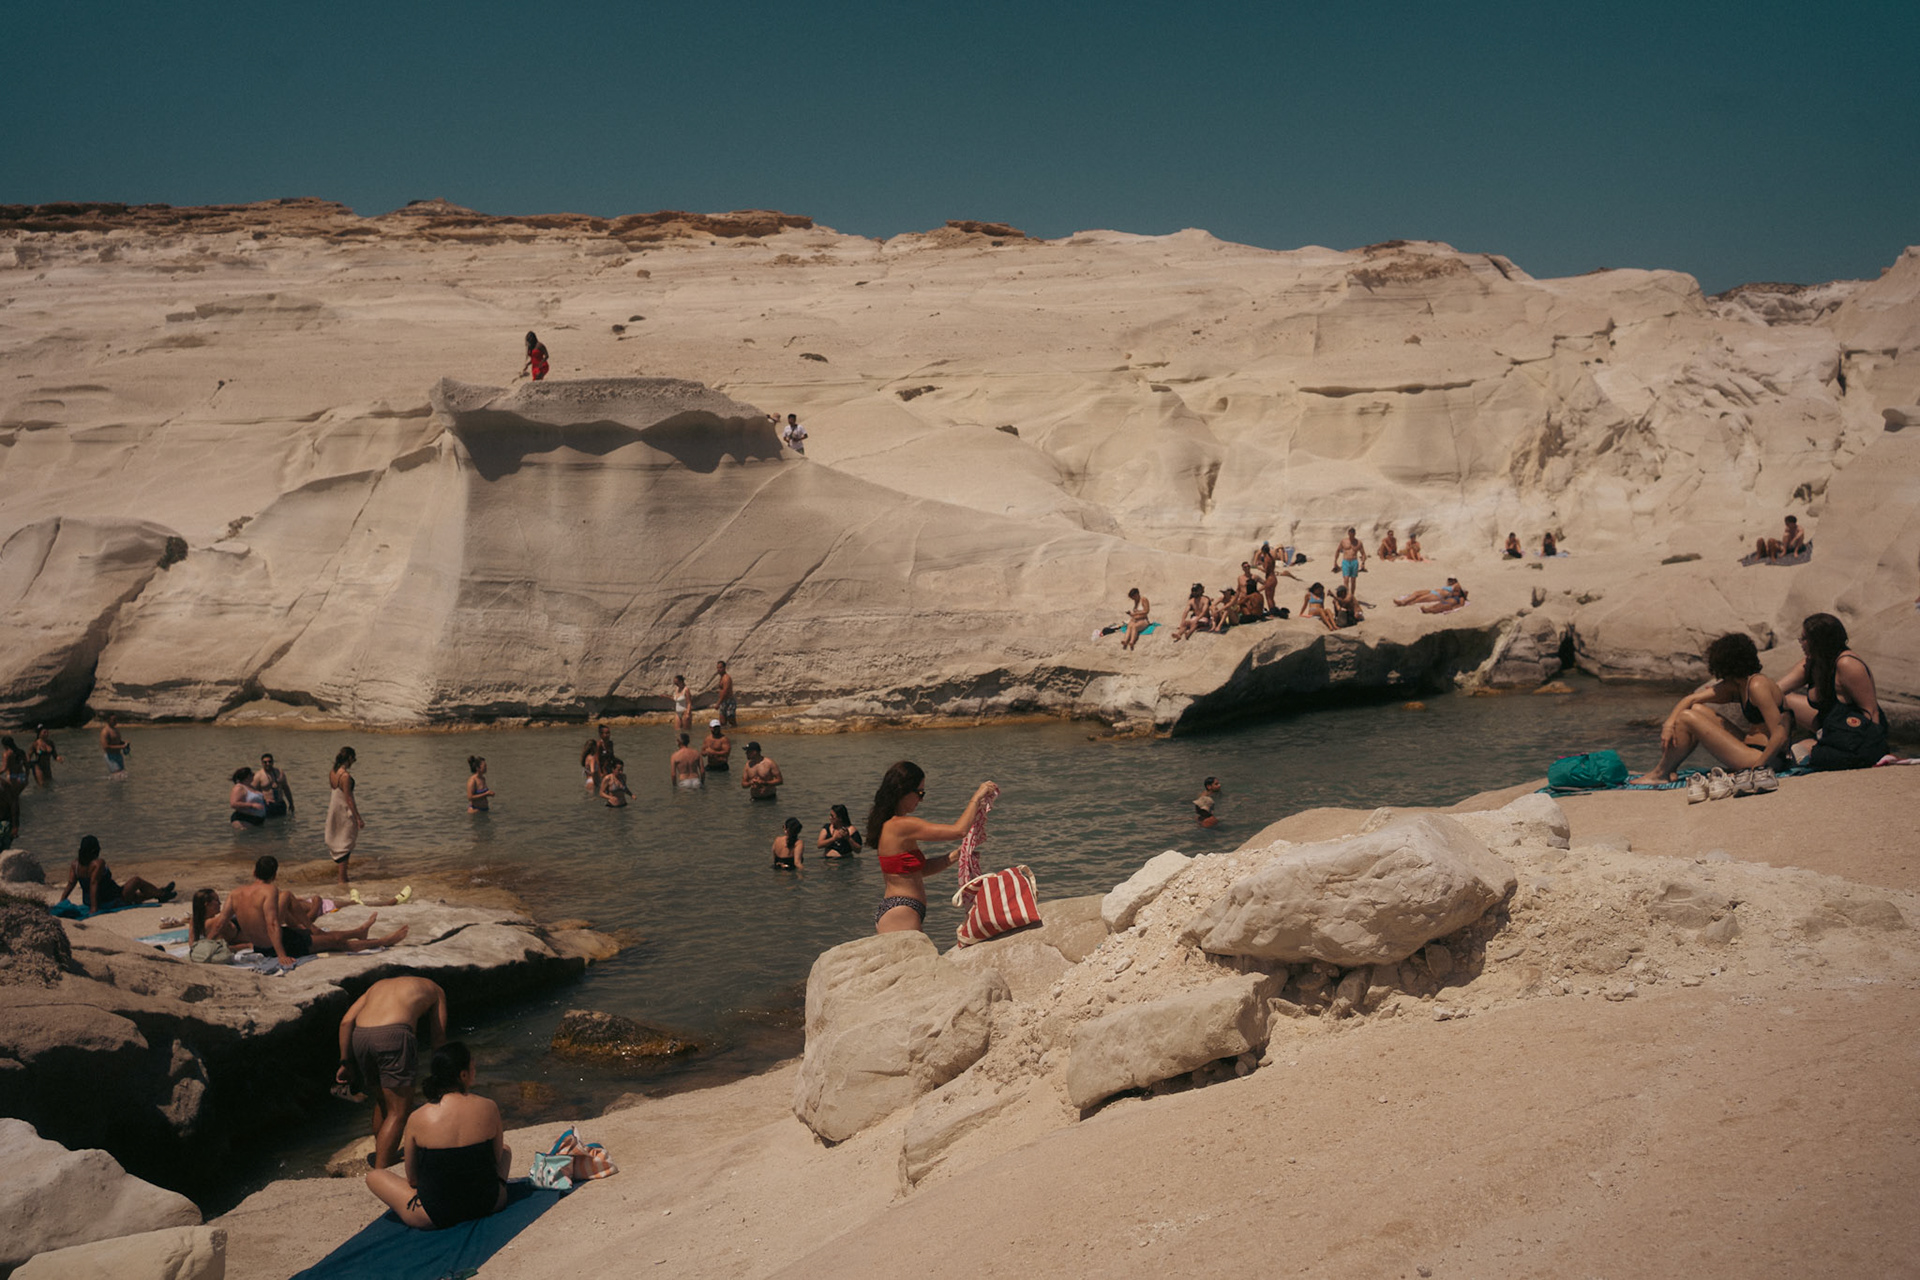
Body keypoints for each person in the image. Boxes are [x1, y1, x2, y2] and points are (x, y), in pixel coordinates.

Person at [364, 1042, 512, 1230]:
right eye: (473, 1067)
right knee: (506, 1151)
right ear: (463, 1075)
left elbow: (413, 1180)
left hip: (435, 1215)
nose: (475, 1072)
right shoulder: (489, 1106)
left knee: (374, 1176)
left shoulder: (418, 1117)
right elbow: (496, 1160)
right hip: (489, 1203)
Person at [1629, 632, 1790, 784]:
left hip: (1766, 759)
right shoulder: (1739, 684)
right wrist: (1669, 724)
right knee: (1697, 709)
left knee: (1686, 718)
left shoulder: (1757, 685)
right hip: (1751, 750)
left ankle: (1660, 773)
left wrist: (1757, 768)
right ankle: (1669, 769)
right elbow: (1692, 699)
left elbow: (1780, 734)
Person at [868, 762, 997, 935]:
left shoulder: (890, 826)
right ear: (903, 791)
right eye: (920, 793)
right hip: (901, 911)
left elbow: (919, 871)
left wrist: (955, 855)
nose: (921, 799)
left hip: (901, 909)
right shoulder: (901, 825)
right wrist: (977, 796)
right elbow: (959, 831)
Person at [337, 976, 448, 1170]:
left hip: (361, 1036)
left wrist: (345, 1062)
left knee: (382, 1101)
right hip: (394, 1035)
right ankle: (382, 1168)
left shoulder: (377, 985)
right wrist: (440, 1074)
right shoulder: (434, 988)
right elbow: (438, 1037)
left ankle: (383, 1153)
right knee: (399, 1111)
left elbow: (346, 1022)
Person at [224, 855, 406, 967]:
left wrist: (207, 942)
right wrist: (281, 955)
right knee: (335, 942)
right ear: (274, 875)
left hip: (274, 941)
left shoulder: (235, 893)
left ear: (254, 872)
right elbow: (272, 923)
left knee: (323, 935)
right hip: (277, 946)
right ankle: (384, 941)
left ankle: (359, 932)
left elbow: (220, 921)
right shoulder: (269, 890)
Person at [1777, 612, 1889, 770]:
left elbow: (1871, 711)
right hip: (1831, 722)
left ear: (1819, 641)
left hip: (1853, 730)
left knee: (1800, 750)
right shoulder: (1812, 664)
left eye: (1805, 638)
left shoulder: (1847, 664)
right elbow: (1776, 689)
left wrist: (1872, 749)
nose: (1801, 643)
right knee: (1781, 700)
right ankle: (1775, 746)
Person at [60, 835, 173, 911]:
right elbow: (93, 883)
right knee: (136, 881)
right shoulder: (97, 864)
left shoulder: (75, 865)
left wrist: (61, 903)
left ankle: (161, 892)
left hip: (90, 901)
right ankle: (161, 894)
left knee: (135, 896)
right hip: (111, 899)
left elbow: (70, 884)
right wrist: (94, 908)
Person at [326, 747, 365, 887]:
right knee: (345, 843)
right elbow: (349, 799)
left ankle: (343, 876)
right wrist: (358, 818)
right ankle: (342, 879)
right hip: (344, 811)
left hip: (334, 809)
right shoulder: (345, 777)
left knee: (341, 840)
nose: (354, 761)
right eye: (353, 758)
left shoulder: (333, 772)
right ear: (349, 758)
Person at [252, 752, 294, 817]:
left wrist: (291, 803)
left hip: (280, 804)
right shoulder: (258, 776)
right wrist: (263, 800)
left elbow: (286, 789)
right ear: (262, 763)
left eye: (270, 762)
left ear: (273, 762)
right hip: (268, 805)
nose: (268, 764)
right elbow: (253, 792)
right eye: (265, 762)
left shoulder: (280, 773)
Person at [1395, 578, 1468, 613]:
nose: (1450, 582)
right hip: (1433, 591)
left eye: (1452, 581)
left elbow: (1461, 602)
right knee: (1416, 593)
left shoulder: (1458, 594)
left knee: (1419, 599)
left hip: (1438, 596)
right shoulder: (1451, 589)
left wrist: (1455, 606)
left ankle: (1428, 610)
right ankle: (1403, 601)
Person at [1334, 527, 1367, 594]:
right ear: (1348, 533)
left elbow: (1363, 554)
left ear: (1355, 533)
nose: (1352, 535)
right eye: (1350, 533)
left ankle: (1352, 595)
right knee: (1346, 579)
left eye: (1353, 533)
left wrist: (1363, 563)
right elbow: (1338, 551)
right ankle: (1347, 594)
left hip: (1354, 561)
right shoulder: (1344, 541)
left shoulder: (1358, 542)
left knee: (1353, 580)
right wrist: (1335, 561)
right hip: (1346, 561)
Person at [101, 713, 130, 780]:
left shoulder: (116, 730)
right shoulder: (105, 732)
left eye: (116, 719)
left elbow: (117, 742)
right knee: (117, 776)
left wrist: (124, 743)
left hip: (118, 755)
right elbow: (105, 747)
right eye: (114, 720)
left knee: (123, 775)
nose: (116, 721)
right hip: (111, 757)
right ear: (108, 720)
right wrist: (121, 746)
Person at [708, 661, 737, 727]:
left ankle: (735, 732)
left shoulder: (726, 678)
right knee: (722, 722)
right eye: (718, 668)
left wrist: (718, 703)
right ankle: (724, 732)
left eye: (720, 668)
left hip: (729, 701)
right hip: (723, 701)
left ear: (724, 668)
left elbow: (725, 691)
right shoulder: (722, 678)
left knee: (731, 721)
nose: (719, 669)